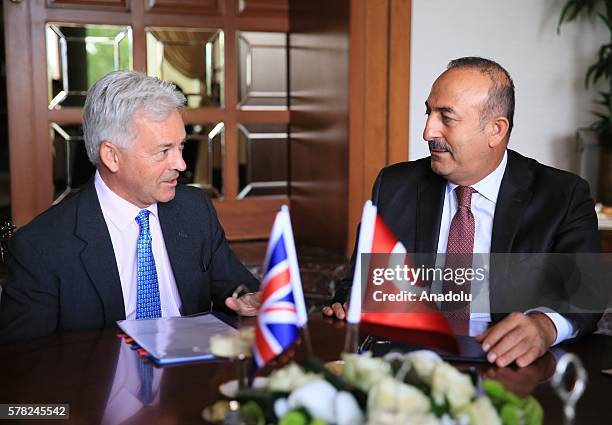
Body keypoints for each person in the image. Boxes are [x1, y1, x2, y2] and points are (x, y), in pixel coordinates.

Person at [323, 57, 602, 368]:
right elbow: (358, 285)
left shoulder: (562, 195)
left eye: (447, 118)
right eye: (429, 112)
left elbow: (586, 294)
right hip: (408, 361)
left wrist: (543, 326)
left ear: (496, 130)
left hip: (506, 366)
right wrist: (348, 304)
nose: (427, 131)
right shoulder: (394, 185)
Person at [0, 70, 260, 342]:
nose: (181, 165)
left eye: (181, 147)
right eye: (163, 151)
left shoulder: (194, 209)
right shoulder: (42, 246)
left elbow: (234, 288)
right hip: (100, 383)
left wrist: (249, 298)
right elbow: (23, 361)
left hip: (191, 376)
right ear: (111, 156)